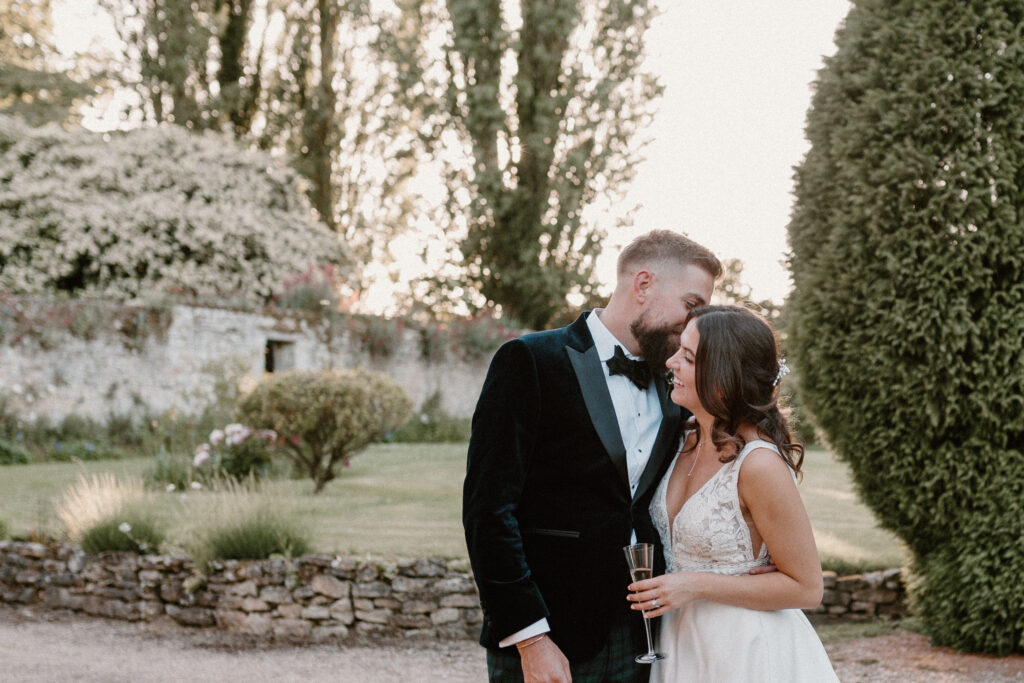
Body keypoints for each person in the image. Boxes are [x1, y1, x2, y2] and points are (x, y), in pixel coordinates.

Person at [463, 230, 723, 683]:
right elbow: (488, 512)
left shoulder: (675, 381)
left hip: (641, 638)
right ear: (643, 285)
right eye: (692, 304)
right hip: (549, 634)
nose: (696, 322)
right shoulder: (530, 361)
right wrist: (531, 639)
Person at [626, 305, 839, 682]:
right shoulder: (681, 437)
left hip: (746, 648)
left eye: (688, 357)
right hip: (681, 644)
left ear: (723, 376)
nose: (671, 362)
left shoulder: (758, 464)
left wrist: (696, 584)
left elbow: (807, 587)